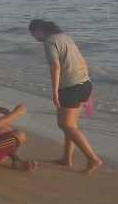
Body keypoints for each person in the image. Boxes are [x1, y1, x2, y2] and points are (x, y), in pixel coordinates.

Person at [29, 19, 103, 174]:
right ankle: (66, 158)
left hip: (70, 87)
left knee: (65, 125)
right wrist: (85, 83)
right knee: (71, 125)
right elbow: (83, 61)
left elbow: (55, 67)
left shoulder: (49, 42)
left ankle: (93, 158)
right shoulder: (64, 37)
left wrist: (55, 91)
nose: (35, 39)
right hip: (85, 83)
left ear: (38, 31)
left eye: (34, 35)